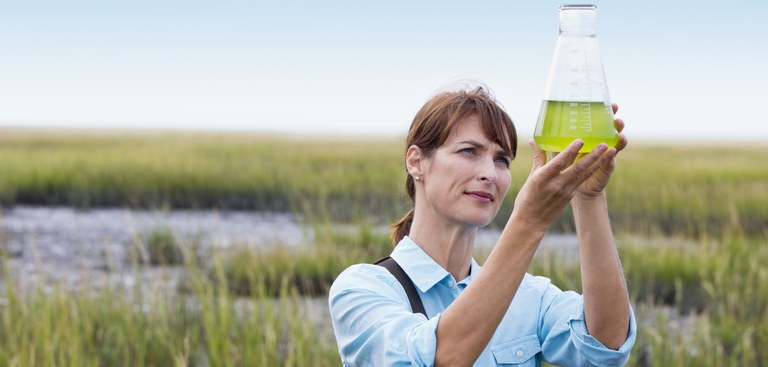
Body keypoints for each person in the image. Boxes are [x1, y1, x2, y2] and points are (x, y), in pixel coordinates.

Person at [328, 81, 636, 366]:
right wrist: (528, 222)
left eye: (501, 159)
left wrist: (588, 196)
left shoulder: (529, 297)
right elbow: (440, 359)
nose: (489, 172)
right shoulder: (363, 289)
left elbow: (605, 348)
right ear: (416, 162)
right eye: (469, 151)